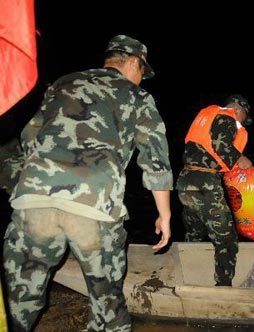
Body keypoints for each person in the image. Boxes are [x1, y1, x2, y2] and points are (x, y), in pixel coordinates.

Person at [2, 35, 173, 331]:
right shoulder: (137, 96)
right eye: (142, 73)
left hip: (34, 200)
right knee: (108, 308)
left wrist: (30, 184)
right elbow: (155, 158)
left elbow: (29, 137)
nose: (141, 80)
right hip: (93, 204)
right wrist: (165, 214)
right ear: (133, 62)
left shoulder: (62, 83)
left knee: (20, 303)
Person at [176, 95, 253, 286]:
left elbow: (210, 149)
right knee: (226, 239)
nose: (243, 123)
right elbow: (221, 146)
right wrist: (241, 159)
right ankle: (223, 287)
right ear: (239, 110)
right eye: (244, 118)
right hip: (204, 184)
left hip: (186, 181)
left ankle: (188, 275)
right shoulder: (227, 117)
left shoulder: (207, 116)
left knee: (194, 232)